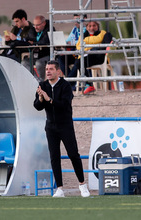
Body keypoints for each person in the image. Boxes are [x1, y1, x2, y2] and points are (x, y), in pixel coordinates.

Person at [33, 60, 90, 197]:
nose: (48, 71)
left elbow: (64, 105)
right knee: (54, 157)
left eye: (51, 69)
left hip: (65, 126)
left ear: (58, 71)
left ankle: (82, 185)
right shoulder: (42, 85)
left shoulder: (65, 85)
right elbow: (37, 106)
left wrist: (49, 99)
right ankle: (59, 188)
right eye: (47, 69)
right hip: (50, 127)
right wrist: (41, 99)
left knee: (73, 155)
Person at [64, 21, 112, 94]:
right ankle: (89, 85)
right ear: (86, 27)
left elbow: (105, 45)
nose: (92, 28)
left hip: (98, 57)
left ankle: (66, 83)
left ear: (98, 26)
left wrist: (86, 43)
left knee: (78, 62)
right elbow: (79, 47)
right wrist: (92, 45)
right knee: (76, 62)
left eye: (94, 26)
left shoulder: (104, 33)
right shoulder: (83, 35)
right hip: (86, 57)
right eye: (89, 26)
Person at [21, 15, 52, 80]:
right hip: (35, 55)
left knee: (39, 63)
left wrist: (34, 43)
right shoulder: (32, 30)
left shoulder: (50, 29)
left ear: (44, 23)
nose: (35, 27)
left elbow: (44, 41)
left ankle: (41, 80)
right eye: (34, 25)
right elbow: (27, 39)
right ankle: (37, 81)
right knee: (24, 63)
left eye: (37, 25)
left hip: (47, 55)